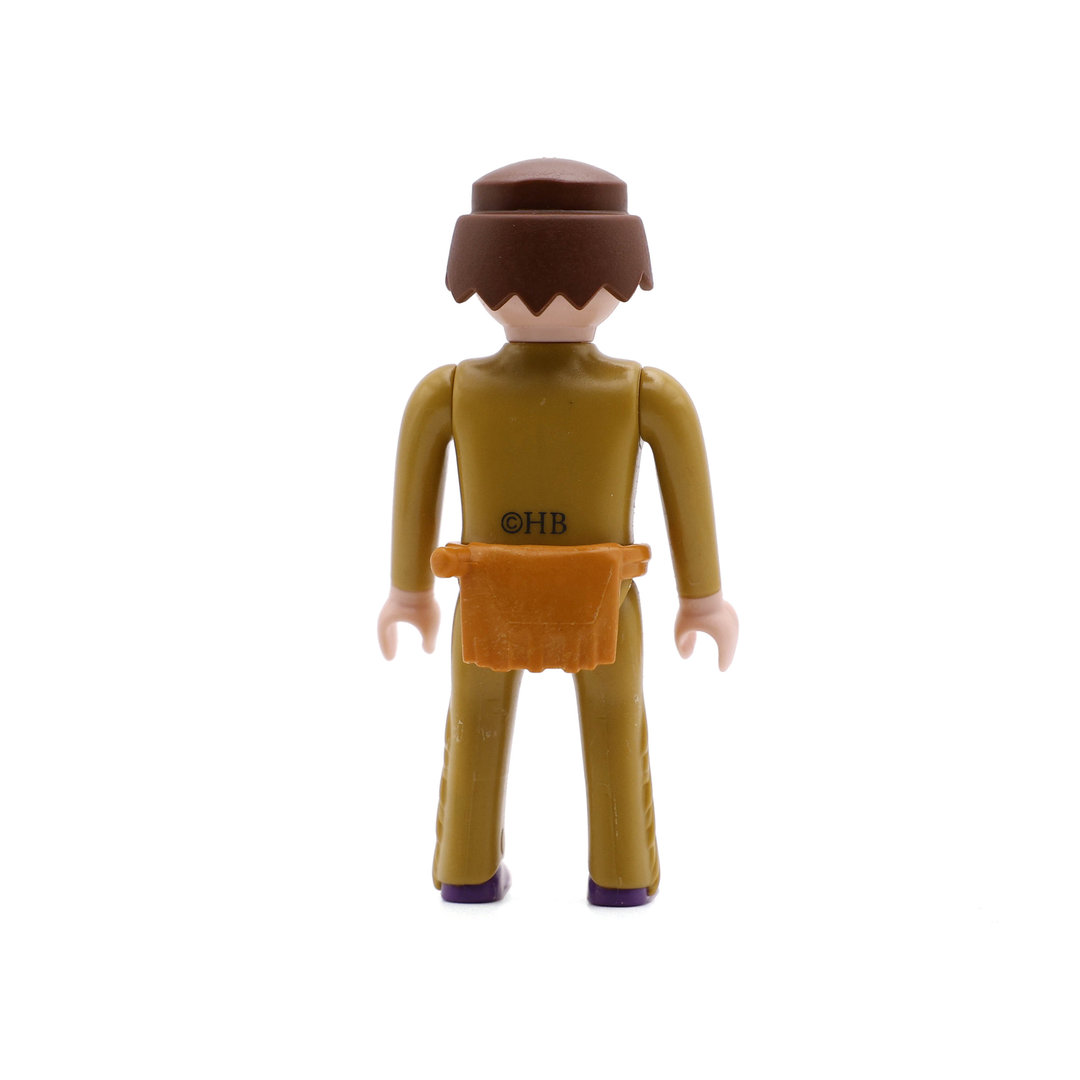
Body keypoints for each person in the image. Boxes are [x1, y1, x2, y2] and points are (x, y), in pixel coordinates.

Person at [377, 159, 738, 906]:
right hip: (600, 597)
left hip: (490, 594)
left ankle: (467, 871)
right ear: (624, 272)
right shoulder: (646, 393)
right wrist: (702, 600)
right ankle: (622, 876)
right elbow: (690, 495)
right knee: (613, 723)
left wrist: (409, 593)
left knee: (476, 723)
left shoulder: (450, 391)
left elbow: (414, 488)